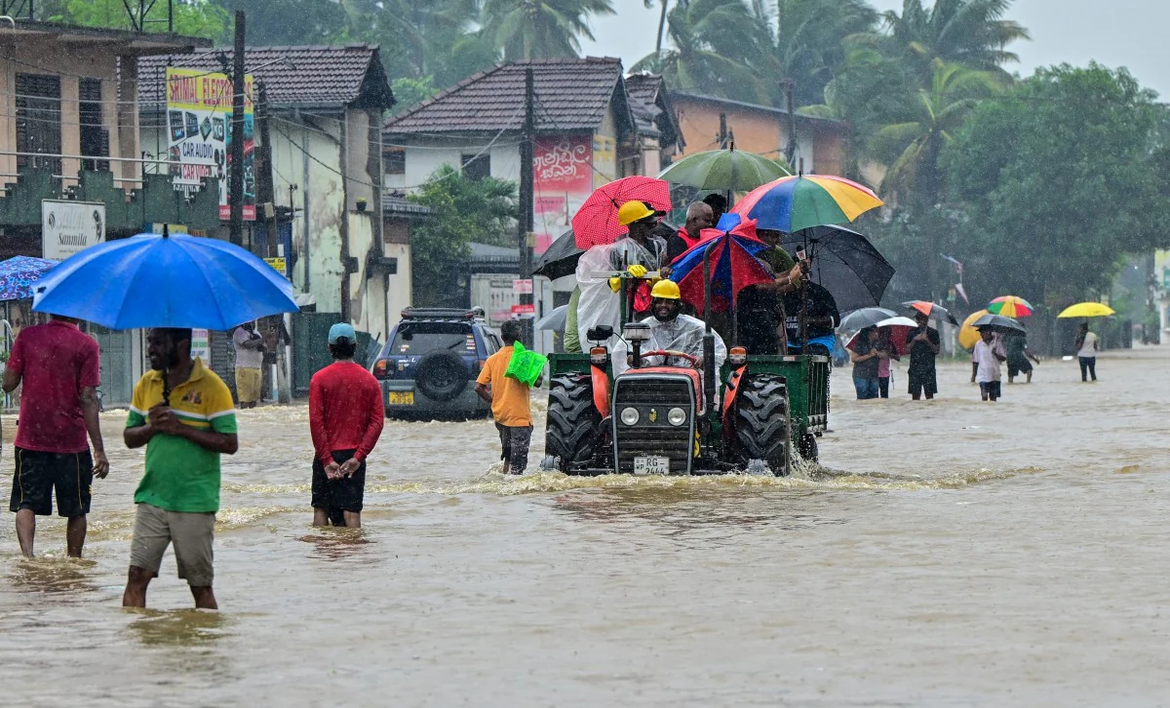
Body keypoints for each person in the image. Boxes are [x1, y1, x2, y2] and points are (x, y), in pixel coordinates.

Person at [122, 328, 238, 610]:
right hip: (152, 497)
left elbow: (229, 443)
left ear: (183, 345)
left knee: (200, 586)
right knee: (137, 575)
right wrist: (152, 427)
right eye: (150, 342)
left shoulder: (212, 386)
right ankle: (135, 637)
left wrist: (181, 429)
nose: (151, 349)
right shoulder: (147, 383)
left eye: (159, 343)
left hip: (194, 501)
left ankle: (204, 637)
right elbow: (129, 437)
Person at [4, 315, 108, 558]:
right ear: (77, 314)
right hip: (71, 443)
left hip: (31, 439)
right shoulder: (87, 345)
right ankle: (74, 563)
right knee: (77, 509)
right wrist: (99, 450)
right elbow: (88, 398)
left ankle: (28, 560)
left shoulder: (27, 336)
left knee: (26, 502)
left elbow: (8, 384)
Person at [309, 323, 385, 528]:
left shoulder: (319, 379)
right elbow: (377, 422)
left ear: (329, 348)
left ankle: (321, 550)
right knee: (352, 513)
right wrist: (358, 457)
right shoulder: (370, 381)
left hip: (326, 454)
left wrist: (326, 460)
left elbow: (316, 422)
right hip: (354, 455)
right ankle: (354, 550)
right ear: (355, 346)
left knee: (321, 510)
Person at [612, 280, 727, 377]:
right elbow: (619, 354)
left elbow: (718, 351)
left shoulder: (695, 327)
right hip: (649, 382)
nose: (663, 305)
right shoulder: (642, 328)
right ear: (652, 304)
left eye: (669, 301)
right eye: (659, 301)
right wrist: (632, 359)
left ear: (678, 305)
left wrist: (704, 359)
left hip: (686, 381)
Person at [475, 320, 541, 475]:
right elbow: (538, 382)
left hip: (501, 416)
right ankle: (513, 487)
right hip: (519, 418)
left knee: (508, 455)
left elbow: (478, 387)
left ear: (502, 337)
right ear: (519, 336)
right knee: (518, 466)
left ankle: (504, 477)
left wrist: (492, 400)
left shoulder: (493, 359)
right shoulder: (523, 358)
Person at [736, 229, 804, 355]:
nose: (777, 241)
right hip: (751, 316)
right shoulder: (749, 256)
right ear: (764, 234)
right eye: (775, 236)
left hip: (766, 313)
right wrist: (790, 278)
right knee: (760, 353)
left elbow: (771, 278)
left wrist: (795, 270)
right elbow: (762, 285)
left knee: (771, 350)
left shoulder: (765, 255)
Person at [610, 201, 669, 320]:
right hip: (630, 307)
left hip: (657, 302)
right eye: (648, 222)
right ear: (636, 224)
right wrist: (625, 275)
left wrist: (660, 276)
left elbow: (664, 270)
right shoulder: (619, 249)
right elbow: (611, 281)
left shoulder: (658, 245)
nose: (654, 225)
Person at [781, 281, 840, 356]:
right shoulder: (782, 293)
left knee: (812, 355)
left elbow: (835, 320)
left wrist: (810, 320)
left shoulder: (819, 292)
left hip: (818, 340)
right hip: (790, 342)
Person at [905, 310, 941, 400]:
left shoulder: (933, 332)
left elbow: (936, 351)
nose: (919, 321)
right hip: (914, 368)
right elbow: (906, 350)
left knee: (929, 397)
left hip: (929, 369)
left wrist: (927, 341)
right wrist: (914, 340)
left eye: (921, 318)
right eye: (917, 318)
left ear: (926, 319)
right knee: (915, 397)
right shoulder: (911, 332)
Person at [232, 321, 265, 408]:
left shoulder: (256, 333)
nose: (252, 322)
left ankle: (252, 416)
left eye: (253, 321)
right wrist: (260, 340)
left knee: (254, 399)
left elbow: (264, 348)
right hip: (244, 368)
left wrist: (264, 340)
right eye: (250, 321)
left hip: (257, 368)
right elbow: (248, 344)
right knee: (245, 399)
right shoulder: (239, 332)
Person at [974, 328, 1006, 401]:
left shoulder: (997, 343)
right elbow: (975, 360)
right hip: (982, 375)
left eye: (986, 332)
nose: (983, 335)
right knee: (984, 396)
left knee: (993, 399)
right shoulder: (978, 344)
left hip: (995, 375)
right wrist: (973, 376)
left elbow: (1004, 358)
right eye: (982, 333)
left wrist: (995, 354)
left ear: (990, 333)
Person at [850, 326, 881, 400]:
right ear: (869, 333)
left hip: (874, 375)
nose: (877, 333)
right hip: (861, 375)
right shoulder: (860, 344)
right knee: (862, 399)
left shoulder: (878, 344)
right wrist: (869, 355)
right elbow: (854, 358)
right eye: (874, 331)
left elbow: (886, 354)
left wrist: (878, 353)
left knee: (874, 399)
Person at [875, 328, 900, 398]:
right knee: (874, 396)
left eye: (887, 334)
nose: (885, 337)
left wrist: (889, 354)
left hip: (885, 374)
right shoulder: (875, 343)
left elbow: (898, 358)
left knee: (884, 396)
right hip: (874, 374)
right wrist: (878, 354)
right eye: (883, 334)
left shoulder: (890, 344)